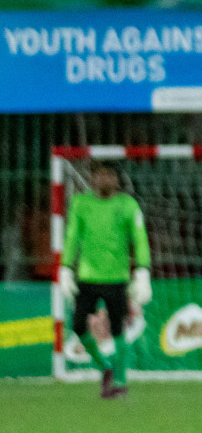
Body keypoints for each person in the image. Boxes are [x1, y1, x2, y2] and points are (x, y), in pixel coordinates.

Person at [59, 159, 153, 399]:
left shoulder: (128, 205)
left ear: (117, 180)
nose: (104, 179)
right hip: (88, 277)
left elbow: (139, 238)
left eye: (109, 175)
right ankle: (105, 367)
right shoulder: (81, 203)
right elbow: (72, 237)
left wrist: (143, 270)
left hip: (116, 279)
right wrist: (66, 268)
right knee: (79, 326)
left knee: (119, 329)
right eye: (100, 175)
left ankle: (120, 380)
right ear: (92, 178)